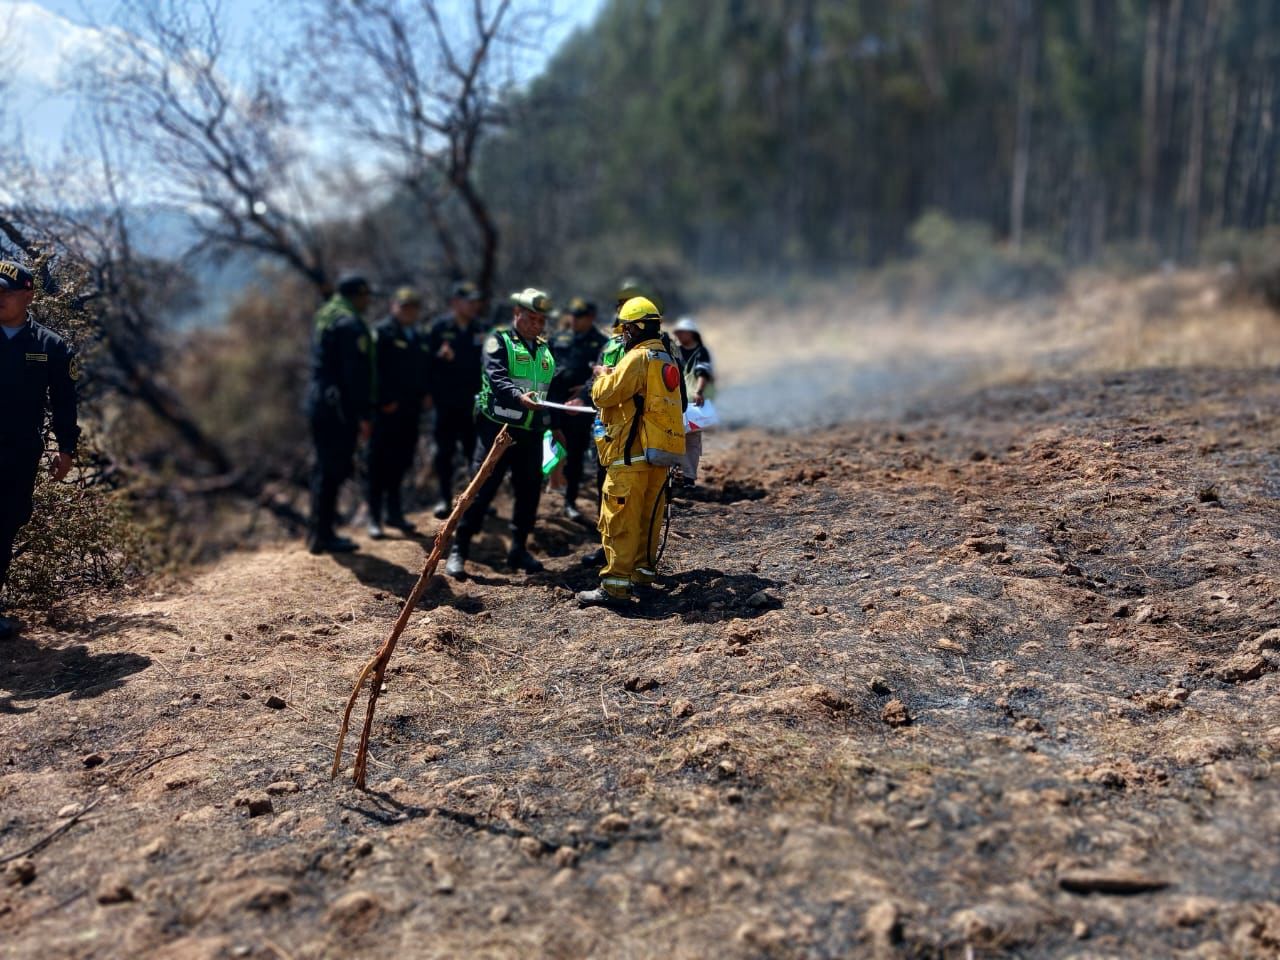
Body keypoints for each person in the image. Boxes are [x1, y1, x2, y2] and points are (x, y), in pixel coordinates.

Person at [577, 296, 685, 608]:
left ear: (636, 328)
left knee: (620, 521)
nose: (623, 334)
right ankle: (642, 576)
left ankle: (615, 587)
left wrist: (602, 376)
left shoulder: (637, 358)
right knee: (648, 520)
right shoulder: (666, 359)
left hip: (629, 457)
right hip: (657, 458)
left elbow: (605, 396)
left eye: (626, 328)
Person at [446, 289, 557, 580]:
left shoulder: (544, 347)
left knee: (529, 489)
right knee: (481, 489)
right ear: (516, 314)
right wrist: (519, 397)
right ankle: (459, 548)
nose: (536, 325)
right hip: (498, 429)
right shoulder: (498, 340)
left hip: (532, 431)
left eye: (541, 320)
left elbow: (550, 386)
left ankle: (518, 549)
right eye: (531, 318)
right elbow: (497, 378)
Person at [0, 261, 79, 639]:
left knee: (6, 523)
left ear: (28, 295)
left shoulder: (49, 346)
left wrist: (66, 448)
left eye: (6, 292)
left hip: (19, 453)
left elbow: (64, 402)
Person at [306, 274, 373, 555]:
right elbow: (354, 376)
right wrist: (363, 415)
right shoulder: (349, 324)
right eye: (365, 296)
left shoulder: (327, 316)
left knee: (324, 468)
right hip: (338, 408)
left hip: (320, 401)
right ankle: (323, 535)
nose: (368, 301)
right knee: (332, 469)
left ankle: (319, 532)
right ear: (356, 296)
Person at [367, 287, 432, 538]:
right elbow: (373, 370)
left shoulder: (419, 334)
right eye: (404, 307)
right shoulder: (382, 332)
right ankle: (374, 517)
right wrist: (383, 400)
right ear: (393, 306)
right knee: (378, 463)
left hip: (410, 408)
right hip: (386, 410)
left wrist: (426, 393)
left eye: (413, 307)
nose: (409, 312)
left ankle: (394, 512)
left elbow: (423, 368)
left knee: (402, 460)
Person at [427, 280, 486, 519]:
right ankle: (444, 498)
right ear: (455, 303)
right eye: (468, 301)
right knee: (445, 452)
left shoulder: (481, 329)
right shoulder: (439, 328)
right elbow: (426, 363)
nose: (473, 306)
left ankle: (476, 499)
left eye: (475, 302)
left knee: (475, 452)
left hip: (473, 402)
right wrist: (439, 357)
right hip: (446, 402)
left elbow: (485, 363)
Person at [549, 298, 607, 522]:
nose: (574, 320)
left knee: (575, 453)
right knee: (550, 444)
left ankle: (570, 501)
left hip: (580, 406)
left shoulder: (601, 343)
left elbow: (602, 375)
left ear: (590, 317)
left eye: (579, 316)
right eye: (572, 315)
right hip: (554, 400)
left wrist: (584, 390)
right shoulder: (559, 338)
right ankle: (552, 483)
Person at [671, 316, 715, 487]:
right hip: (674, 399)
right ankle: (676, 472)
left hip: (692, 402)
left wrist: (698, 391)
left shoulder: (701, 352)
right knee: (673, 436)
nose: (679, 335)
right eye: (678, 333)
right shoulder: (674, 351)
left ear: (692, 333)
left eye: (682, 332)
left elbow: (703, 373)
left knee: (692, 440)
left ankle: (688, 477)